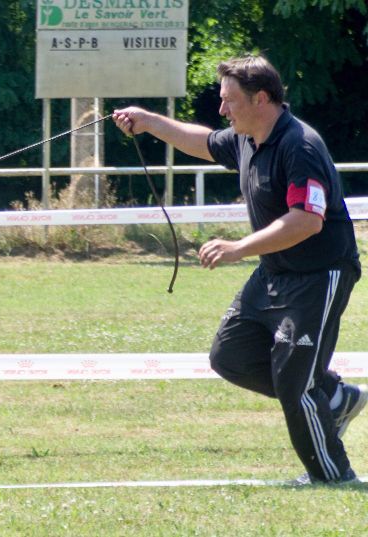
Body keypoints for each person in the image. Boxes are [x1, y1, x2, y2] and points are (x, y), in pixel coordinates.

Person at [113, 55, 363, 485]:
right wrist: (150, 121)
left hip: (318, 275)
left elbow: (307, 219)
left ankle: (332, 476)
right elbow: (204, 142)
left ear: (261, 98)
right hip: (274, 273)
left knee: (295, 384)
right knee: (229, 356)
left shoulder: (299, 146)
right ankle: (334, 398)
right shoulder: (248, 138)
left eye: (229, 101)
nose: (223, 110)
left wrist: (239, 248)